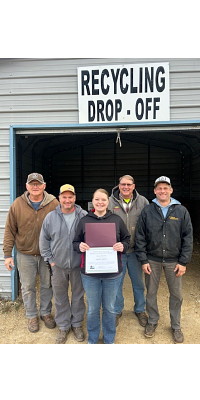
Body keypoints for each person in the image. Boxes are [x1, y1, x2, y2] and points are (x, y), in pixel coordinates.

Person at [135, 176, 193, 343]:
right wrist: (143, 259)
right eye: (159, 188)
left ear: (171, 190)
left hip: (174, 261)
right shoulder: (148, 211)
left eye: (165, 188)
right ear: (155, 191)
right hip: (152, 260)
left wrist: (183, 262)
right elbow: (140, 236)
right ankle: (152, 321)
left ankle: (175, 325)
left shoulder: (181, 211)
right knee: (151, 292)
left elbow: (187, 238)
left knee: (176, 294)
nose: (162, 191)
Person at [3, 172, 59, 333]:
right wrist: (7, 255)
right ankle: (32, 315)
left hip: (47, 254)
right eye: (32, 184)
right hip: (24, 254)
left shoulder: (53, 203)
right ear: (27, 186)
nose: (35, 187)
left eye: (38, 184)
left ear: (44, 186)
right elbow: (9, 230)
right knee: (27, 286)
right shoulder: (17, 204)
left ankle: (46, 313)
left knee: (47, 285)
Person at [73, 189, 130, 344]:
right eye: (97, 199)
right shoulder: (85, 220)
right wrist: (80, 246)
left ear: (108, 202)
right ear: (93, 201)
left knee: (110, 308)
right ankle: (92, 339)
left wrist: (122, 245)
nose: (100, 202)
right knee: (92, 309)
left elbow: (127, 238)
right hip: (90, 274)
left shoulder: (116, 220)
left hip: (112, 274)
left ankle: (109, 339)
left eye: (103, 200)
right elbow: (75, 242)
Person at [39, 184, 87, 344]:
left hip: (78, 265)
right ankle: (63, 326)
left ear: (75, 198)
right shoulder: (50, 218)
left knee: (78, 296)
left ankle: (77, 324)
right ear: (59, 198)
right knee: (60, 297)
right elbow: (44, 241)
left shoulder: (84, 216)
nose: (67, 200)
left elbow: (91, 238)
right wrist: (51, 261)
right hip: (58, 266)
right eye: (64, 197)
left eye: (70, 197)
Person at [108, 175, 149, 327]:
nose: (126, 187)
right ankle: (117, 310)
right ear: (119, 186)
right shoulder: (110, 201)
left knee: (138, 282)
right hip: (116, 252)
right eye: (123, 184)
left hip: (136, 251)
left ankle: (140, 309)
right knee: (116, 283)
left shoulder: (143, 202)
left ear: (133, 186)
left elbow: (148, 226)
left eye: (129, 184)